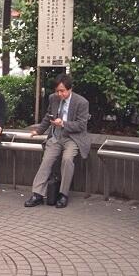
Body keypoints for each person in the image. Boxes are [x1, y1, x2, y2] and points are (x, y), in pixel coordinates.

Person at [25, 73, 89, 209]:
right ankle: (37, 194)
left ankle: (63, 194)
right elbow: (48, 117)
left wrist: (64, 123)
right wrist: (38, 131)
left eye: (63, 91)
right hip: (56, 136)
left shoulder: (81, 102)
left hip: (73, 138)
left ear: (70, 89)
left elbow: (81, 125)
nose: (60, 94)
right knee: (46, 161)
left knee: (67, 159)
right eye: (57, 91)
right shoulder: (53, 98)